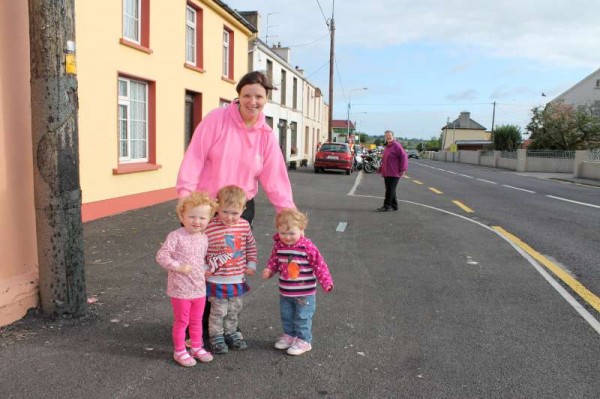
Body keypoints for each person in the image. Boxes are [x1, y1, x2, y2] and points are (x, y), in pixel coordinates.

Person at [176, 70, 296, 344]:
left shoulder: (265, 135)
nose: (253, 101)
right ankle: (191, 324)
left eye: (259, 96)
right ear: (238, 96)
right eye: (247, 95)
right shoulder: (217, 120)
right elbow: (194, 157)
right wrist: (185, 195)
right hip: (205, 207)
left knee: (228, 265)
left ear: (266, 99)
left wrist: (286, 211)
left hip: (240, 210)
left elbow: (274, 175)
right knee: (196, 264)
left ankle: (221, 325)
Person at [156, 192, 217, 367]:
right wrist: (177, 266)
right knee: (182, 321)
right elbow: (162, 256)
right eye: (192, 216)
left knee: (196, 321)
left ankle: (196, 346)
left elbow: (200, 260)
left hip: (199, 288)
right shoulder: (176, 236)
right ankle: (179, 350)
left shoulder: (204, 237)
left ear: (209, 219)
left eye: (202, 218)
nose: (197, 221)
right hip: (180, 289)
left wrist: (206, 270)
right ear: (182, 216)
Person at [262, 208, 334, 356]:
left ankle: (304, 340)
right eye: (283, 233)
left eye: (291, 233)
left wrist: (326, 282)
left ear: (302, 230)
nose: (287, 237)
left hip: (304, 292)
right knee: (286, 315)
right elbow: (274, 261)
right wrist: (269, 270)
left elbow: (319, 265)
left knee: (302, 317)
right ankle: (290, 335)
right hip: (286, 291)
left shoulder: (307, 247)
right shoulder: (279, 245)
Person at [204, 185, 257, 354]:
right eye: (225, 212)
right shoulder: (209, 226)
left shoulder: (244, 226)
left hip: (236, 279)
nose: (230, 217)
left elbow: (250, 245)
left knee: (234, 309)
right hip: (217, 279)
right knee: (218, 311)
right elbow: (200, 248)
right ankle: (216, 336)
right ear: (217, 207)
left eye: (235, 213)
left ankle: (231, 333)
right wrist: (204, 267)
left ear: (243, 209)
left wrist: (251, 263)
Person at [377, 130, 408, 212]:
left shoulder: (396, 145)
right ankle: (394, 206)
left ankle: (386, 206)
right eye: (386, 135)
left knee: (389, 190)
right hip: (387, 172)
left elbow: (404, 157)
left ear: (393, 136)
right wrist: (381, 168)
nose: (388, 137)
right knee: (391, 189)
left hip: (394, 172)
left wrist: (403, 169)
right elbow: (385, 159)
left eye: (389, 135)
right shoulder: (387, 146)